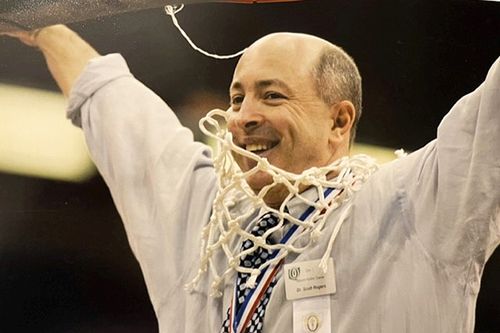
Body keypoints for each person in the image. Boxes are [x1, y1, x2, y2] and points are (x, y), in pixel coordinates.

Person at [2, 25, 499, 333]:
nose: (241, 117)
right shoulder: (204, 225)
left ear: (339, 122)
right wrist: (45, 27)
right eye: (237, 98)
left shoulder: (416, 206)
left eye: (273, 96)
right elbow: (119, 109)